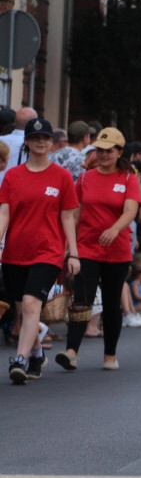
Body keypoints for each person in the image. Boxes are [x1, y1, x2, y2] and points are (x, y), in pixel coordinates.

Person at [55, 127, 141, 373]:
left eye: (109, 151)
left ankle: (109, 355)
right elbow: (74, 215)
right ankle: (71, 352)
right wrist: (67, 248)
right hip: (87, 248)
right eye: (99, 150)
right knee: (82, 299)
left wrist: (115, 229)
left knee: (112, 303)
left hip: (117, 252)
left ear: (119, 152)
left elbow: (131, 210)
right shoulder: (85, 178)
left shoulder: (127, 178)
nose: (103, 155)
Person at [0, 118, 80, 383]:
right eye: (36, 138)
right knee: (23, 310)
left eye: (45, 138)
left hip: (48, 252)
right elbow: (4, 213)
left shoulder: (62, 177)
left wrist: (73, 253)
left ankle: (20, 359)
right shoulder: (12, 176)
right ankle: (36, 354)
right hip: (14, 252)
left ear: (52, 142)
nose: (41, 142)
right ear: (28, 142)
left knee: (33, 304)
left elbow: (68, 217)